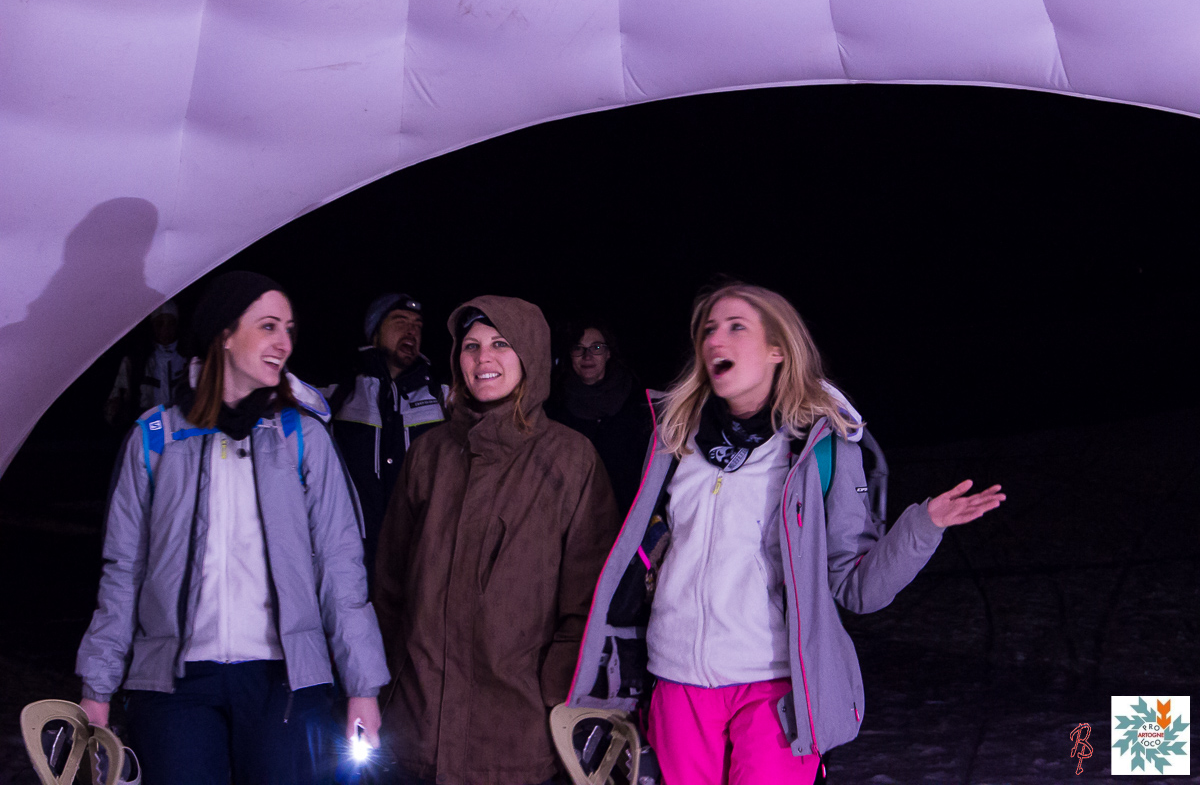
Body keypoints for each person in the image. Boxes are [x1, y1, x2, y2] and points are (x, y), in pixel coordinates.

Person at [565, 283, 1005, 785]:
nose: (716, 340)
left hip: (773, 685)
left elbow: (856, 586)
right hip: (677, 682)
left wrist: (925, 526)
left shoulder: (820, 449)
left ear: (777, 349)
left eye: (736, 327)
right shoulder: (673, 437)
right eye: (709, 330)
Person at [76, 272, 390, 785]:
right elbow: (123, 571)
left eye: (288, 329)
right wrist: (97, 688)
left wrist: (362, 687)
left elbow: (341, 569)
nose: (284, 342)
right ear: (224, 333)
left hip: (284, 682)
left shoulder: (302, 437)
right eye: (268, 326)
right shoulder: (155, 438)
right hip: (173, 686)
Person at [373, 295, 622, 785]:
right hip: (417, 731)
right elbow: (389, 586)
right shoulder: (428, 455)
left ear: (529, 354)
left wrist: (553, 695)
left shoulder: (571, 459)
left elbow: (592, 601)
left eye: (500, 343)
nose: (483, 357)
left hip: (517, 739)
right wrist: (385, 685)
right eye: (471, 346)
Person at [326, 293, 447, 591]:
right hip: (355, 560)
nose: (411, 331)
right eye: (400, 322)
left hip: (420, 560)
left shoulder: (442, 397)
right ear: (375, 333)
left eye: (417, 325)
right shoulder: (340, 392)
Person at [546, 321, 653, 514]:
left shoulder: (636, 401)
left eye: (596, 347)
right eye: (578, 348)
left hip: (626, 511)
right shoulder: (554, 404)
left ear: (608, 353)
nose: (587, 356)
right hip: (572, 511)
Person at [104, 301, 187, 427]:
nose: (165, 330)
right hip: (145, 428)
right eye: (160, 324)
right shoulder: (136, 360)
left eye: (171, 324)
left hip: (179, 427)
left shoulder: (187, 359)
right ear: (152, 325)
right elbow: (115, 402)